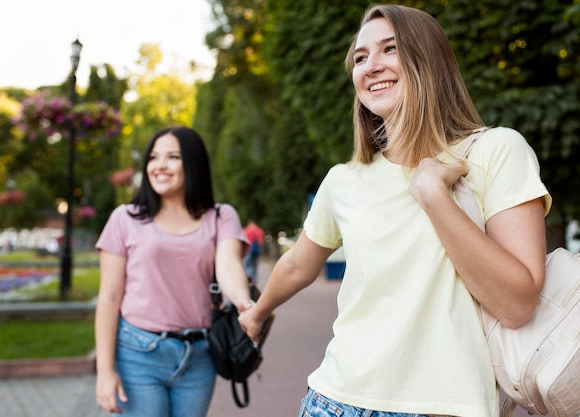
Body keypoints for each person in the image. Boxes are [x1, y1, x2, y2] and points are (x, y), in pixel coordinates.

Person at [239, 5, 552, 417]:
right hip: (335, 402)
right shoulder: (344, 179)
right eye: (360, 57)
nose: (371, 66)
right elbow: (298, 264)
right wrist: (257, 314)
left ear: (428, 59)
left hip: (448, 408)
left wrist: (434, 195)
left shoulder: (496, 151)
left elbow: (518, 304)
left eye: (390, 49)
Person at [94, 126, 253, 417]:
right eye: (153, 157)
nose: (159, 166)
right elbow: (109, 298)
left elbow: (228, 264)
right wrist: (105, 371)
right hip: (137, 354)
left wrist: (244, 302)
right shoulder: (124, 218)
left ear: (193, 163)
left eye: (172, 157)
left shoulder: (220, 216)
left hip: (200, 355)